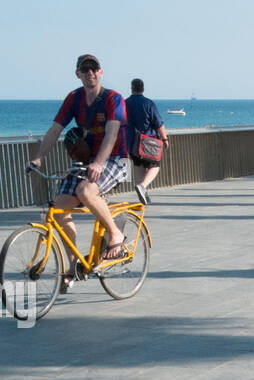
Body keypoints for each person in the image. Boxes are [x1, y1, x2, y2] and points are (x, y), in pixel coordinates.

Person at [29, 53, 130, 287]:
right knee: (58, 209)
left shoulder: (113, 99)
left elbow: (112, 132)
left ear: (101, 72)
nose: (90, 73)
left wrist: (99, 163)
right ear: (78, 74)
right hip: (87, 161)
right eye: (85, 70)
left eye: (94, 69)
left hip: (114, 158)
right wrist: (37, 158)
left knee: (86, 192)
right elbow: (55, 129)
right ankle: (74, 265)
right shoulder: (74, 98)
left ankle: (115, 233)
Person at [125, 78, 167, 205]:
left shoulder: (124, 103)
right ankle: (143, 186)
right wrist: (164, 138)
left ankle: (143, 195)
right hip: (148, 142)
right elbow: (158, 123)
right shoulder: (148, 103)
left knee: (138, 166)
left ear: (132, 88)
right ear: (143, 88)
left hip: (131, 142)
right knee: (155, 166)